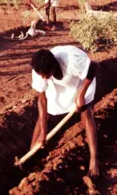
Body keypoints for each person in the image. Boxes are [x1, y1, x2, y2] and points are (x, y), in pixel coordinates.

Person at [30, 46, 99, 177]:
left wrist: (81, 95)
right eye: (41, 76)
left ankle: (94, 159)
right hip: (59, 86)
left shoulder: (72, 60)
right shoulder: (39, 70)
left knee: (85, 111)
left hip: (81, 81)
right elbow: (42, 99)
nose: (43, 78)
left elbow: (94, 66)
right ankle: (32, 156)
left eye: (46, 75)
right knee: (44, 115)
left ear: (54, 66)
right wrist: (44, 132)